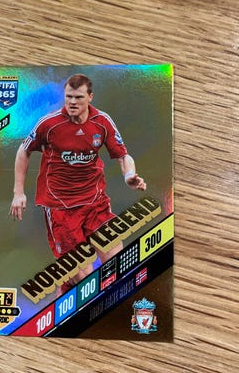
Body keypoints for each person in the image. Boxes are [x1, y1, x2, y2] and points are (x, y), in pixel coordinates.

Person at [10, 74, 146, 287]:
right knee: (84, 278)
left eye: (79, 97)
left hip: (95, 203)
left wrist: (129, 175)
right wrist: (18, 192)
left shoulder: (102, 122)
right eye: (69, 97)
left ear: (90, 97)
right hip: (61, 208)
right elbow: (24, 150)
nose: (72, 102)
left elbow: (122, 156)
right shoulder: (50, 124)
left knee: (118, 262)